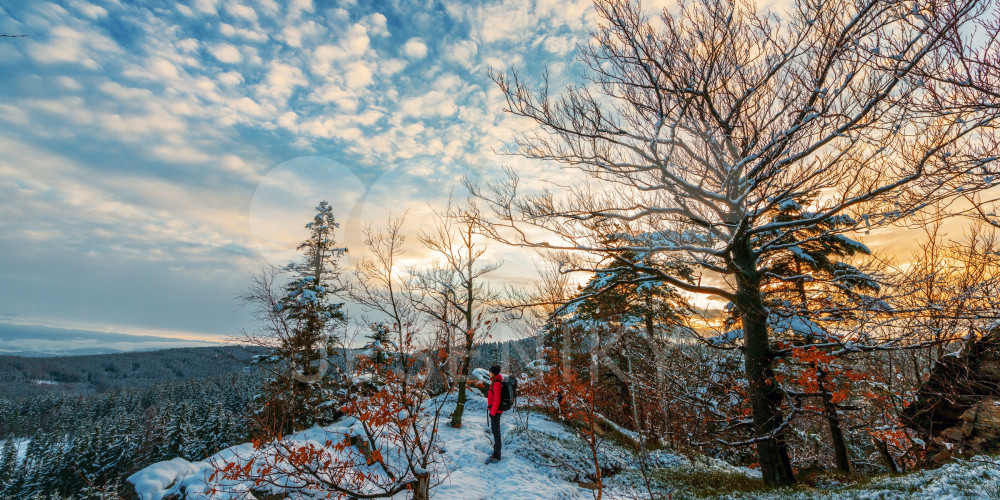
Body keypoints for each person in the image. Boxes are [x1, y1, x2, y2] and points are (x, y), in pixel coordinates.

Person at [486, 365, 503, 463]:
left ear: (494, 373)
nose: (489, 373)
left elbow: (497, 400)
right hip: (494, 411)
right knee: (495, 432)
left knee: (496, 433)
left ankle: (497, 455)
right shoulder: (495, 381)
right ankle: (495, 453)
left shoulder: (496, 383)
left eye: (490, 372)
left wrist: (492, 413)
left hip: (495, 412)